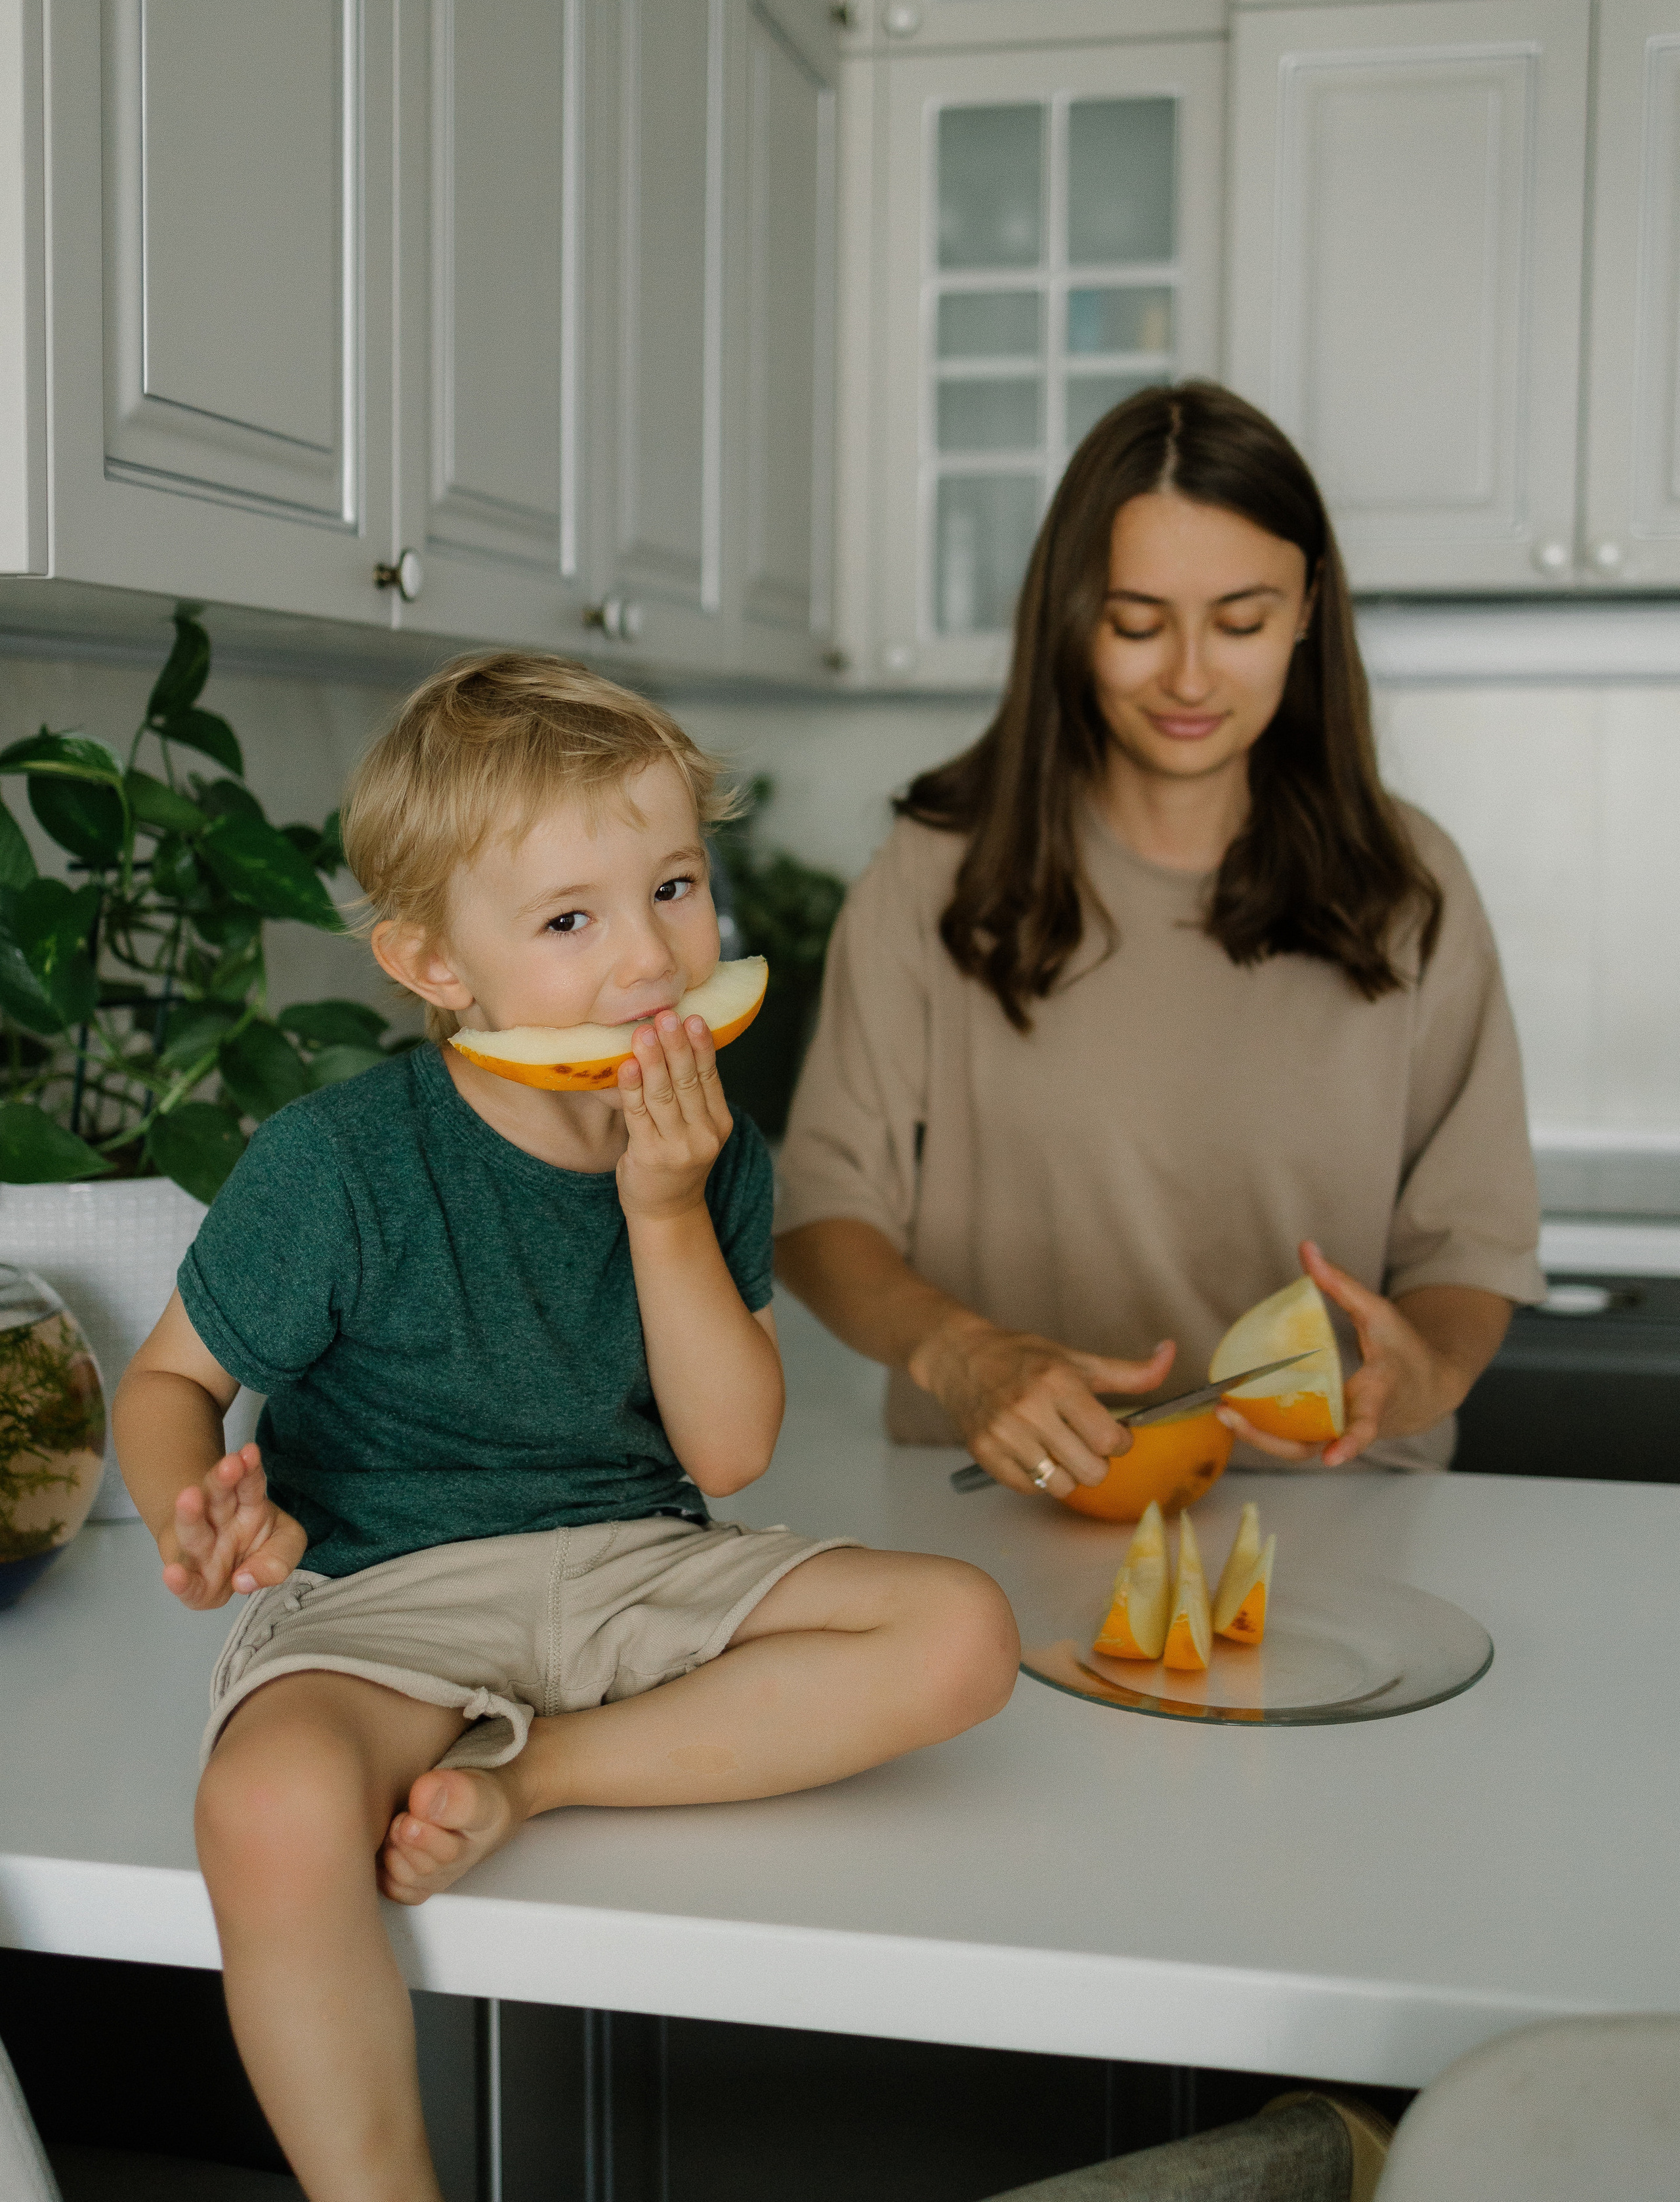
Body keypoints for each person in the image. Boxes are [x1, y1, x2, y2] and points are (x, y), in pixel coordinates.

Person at [113, 654, 1017, 2202]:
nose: (652, 960)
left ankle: (539, 1775)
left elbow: (727, 1457)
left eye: (673, 887)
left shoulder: (706, 1145)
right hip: (384, 1594)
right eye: (570, 920)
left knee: (962, 1635)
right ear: (433, 962)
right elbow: (167, 1387)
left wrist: (664, 1212)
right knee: (263, 1805)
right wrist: (199, 1514)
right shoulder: (338, 1163)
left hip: (632, 1569)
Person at [776, 383, 1545, 1500]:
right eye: (1136, 623)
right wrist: (962, 1353)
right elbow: (819, 1212)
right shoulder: (935, 875)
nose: (1189, 675)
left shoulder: (1410, 886)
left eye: (1240, 621)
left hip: (1334, 1509)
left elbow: (1471, 1245)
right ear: (1071, 614)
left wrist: (1422, 1373)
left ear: (1307, 609)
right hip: (1007, 1511)